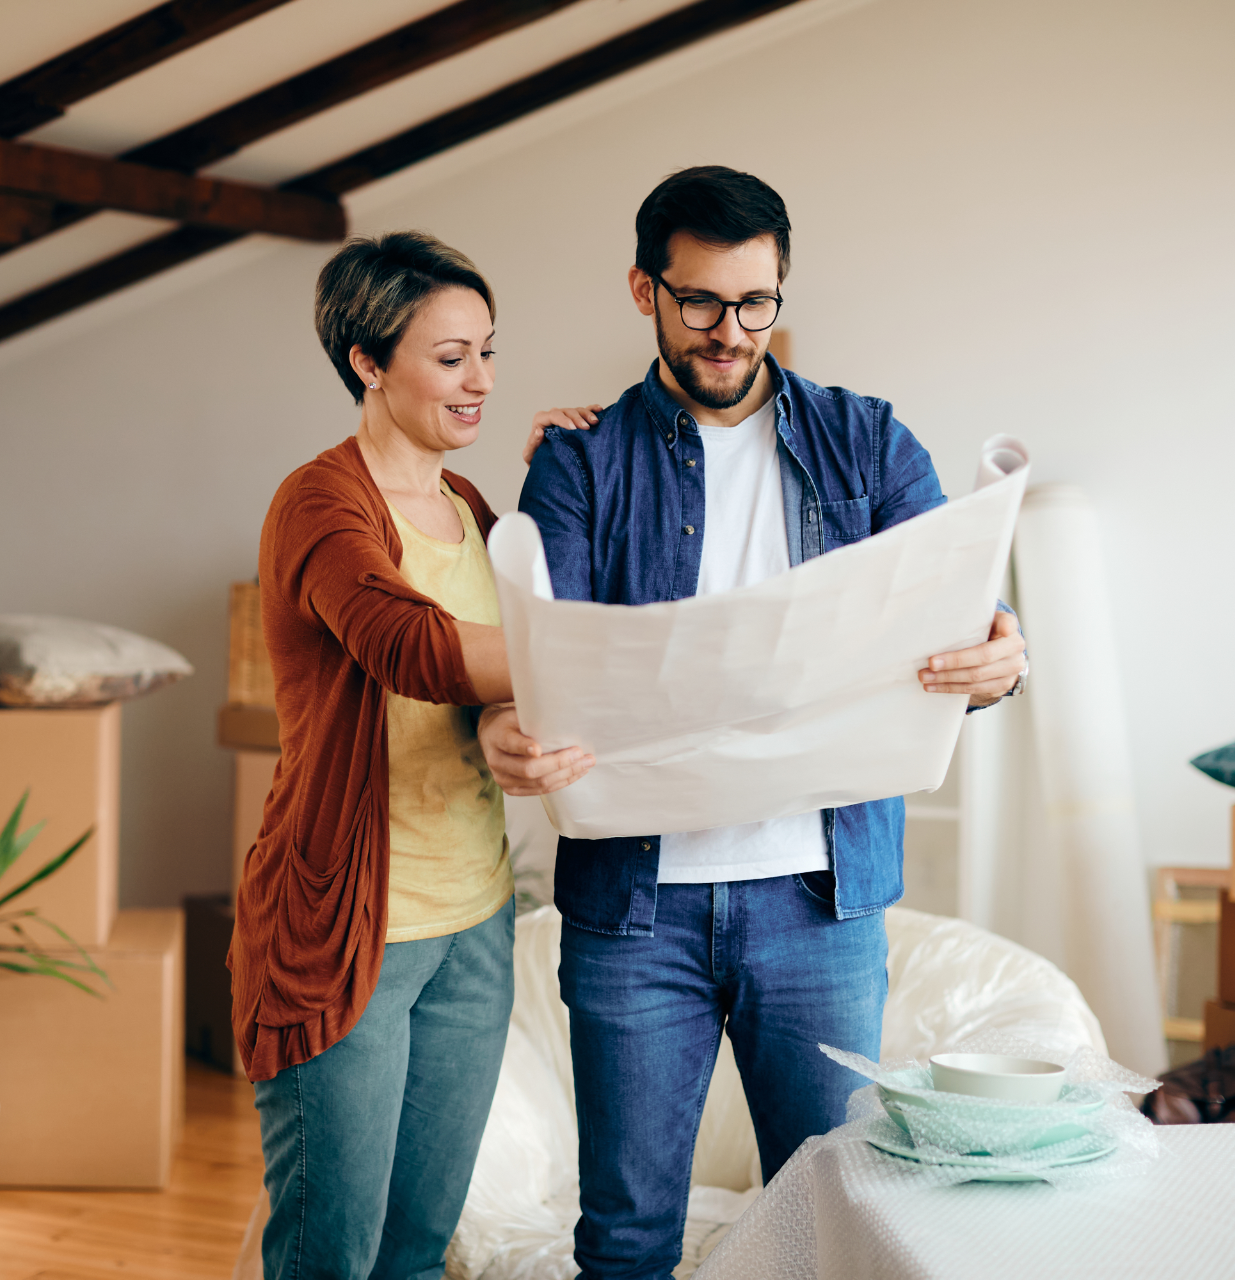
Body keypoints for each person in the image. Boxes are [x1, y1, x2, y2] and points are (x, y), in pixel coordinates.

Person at [478, 167, 1027, 1279]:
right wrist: (505, 720)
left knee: (836, 1222)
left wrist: (1000, 655)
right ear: (643, 290)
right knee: (626, 1234)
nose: (731, 333)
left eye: (757, 302)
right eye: (700, 304)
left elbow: (954, 602)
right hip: (636, 909)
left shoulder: (868, 442)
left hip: (818, 904)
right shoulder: (580, 462)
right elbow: (541, 655)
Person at [231, 230, 592, 1280]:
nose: (479, 379)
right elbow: (414, 647)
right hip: (351, 934)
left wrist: (571, 465)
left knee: (421, 1251)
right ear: (367, 362)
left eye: (488, 350)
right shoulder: (320, 502)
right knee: (330, 1256)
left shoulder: (476, 510)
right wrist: (584, 660)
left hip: (473, 921)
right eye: (449, 357)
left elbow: (472, 696)